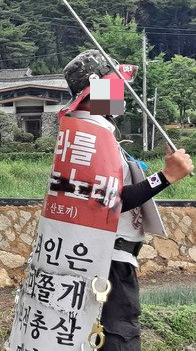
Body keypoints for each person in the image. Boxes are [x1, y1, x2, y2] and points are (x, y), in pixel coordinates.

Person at [62, 50, 193, 350]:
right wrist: (166, 176)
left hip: (100, 258)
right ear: (94, 91)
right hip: (108, 263)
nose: (121, 90)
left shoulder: (87, 132)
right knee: (118, 337)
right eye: (113, 84)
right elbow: (112, 199)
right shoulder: (91, 135)